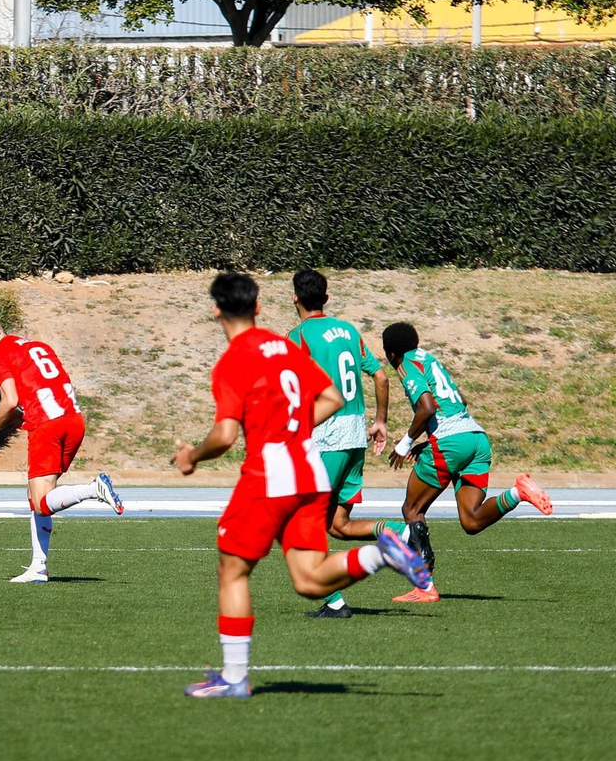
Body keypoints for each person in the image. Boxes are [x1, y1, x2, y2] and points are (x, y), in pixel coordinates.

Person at [173, 273, 431, 699]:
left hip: (269, 475)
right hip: (308, 468)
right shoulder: (282, 346)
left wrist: (191, 457)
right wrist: (294, 428)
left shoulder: (234, 360)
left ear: (217, 309)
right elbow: (330, 397)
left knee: (232, 571)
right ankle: (380, 551)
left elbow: (223, 436)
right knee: (310, 581)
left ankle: (235, 678)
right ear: (257, 308)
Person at [379, 321, 554, 603]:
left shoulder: (406, 366)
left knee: (412, 509)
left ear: (390, 354)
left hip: (450, 443)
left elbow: (427, 408)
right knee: (471, 521)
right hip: (476, 439)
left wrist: (405, 443)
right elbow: (460, 398)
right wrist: (433, 438)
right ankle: (518, 492)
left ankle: (425, 587)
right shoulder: (428, 359)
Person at [0, 315, 124, 583]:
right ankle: (38, 567)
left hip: (48, 426)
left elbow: (10, 401)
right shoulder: (37, 346)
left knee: (42, 502)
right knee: (36, 497)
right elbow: (42, 391)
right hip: (74, 421)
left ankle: (94, 489)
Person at [288, 269, 393, 619]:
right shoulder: (348, 330)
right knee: (338, 523)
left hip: (326, 437)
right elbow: (379, 375)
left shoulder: (299, 336)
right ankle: (402, 533)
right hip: (355, 435)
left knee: (306, 524)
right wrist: (380, 421)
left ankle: (335, 602)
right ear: (327, 298)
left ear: (294, 298)